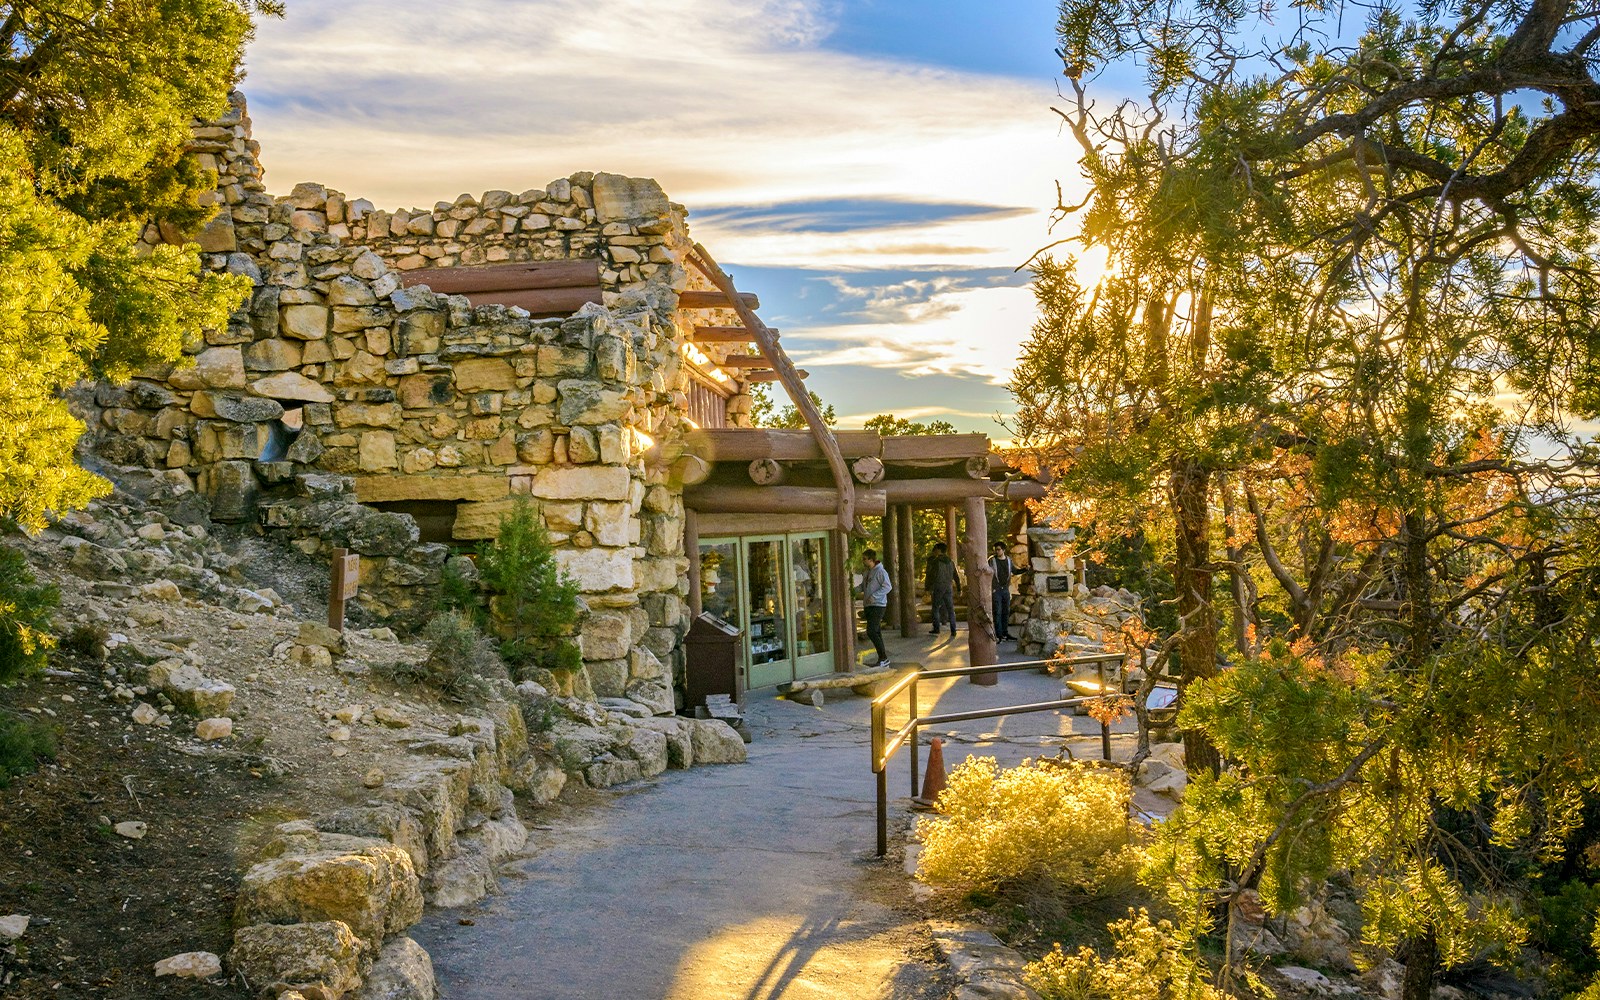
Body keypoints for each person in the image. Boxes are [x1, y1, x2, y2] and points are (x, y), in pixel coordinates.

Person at [860, 548, 892, 666]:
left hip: (878, 605)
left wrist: (875, 596)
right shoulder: (867, 572)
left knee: (871, 631)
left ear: (871, 560)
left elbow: (888, 587)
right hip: (868, 605)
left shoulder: (881, 572)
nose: (863, 561)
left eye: (864, 559)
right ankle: (883, 658)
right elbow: (864, 586)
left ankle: (883, 657)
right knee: (876, 631)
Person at [924, 542, 960, 638]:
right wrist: (959, 588)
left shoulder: (936, 562)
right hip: (948, 587)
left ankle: (936, 628)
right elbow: (956, 576)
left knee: (935, 607)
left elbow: (931, 576)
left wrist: (927, 588)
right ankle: (953, 629)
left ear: (939, 550)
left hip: (938, 587)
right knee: (950, 609)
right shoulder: (951, 562)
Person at [989, 542, 1018, 641]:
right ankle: (999, 634)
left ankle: (1005, 633)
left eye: (998, 549)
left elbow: (1014, 571)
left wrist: (1025, 569)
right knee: (997, 611)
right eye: (996, 550)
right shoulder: (992, 561)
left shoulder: (1009, 560)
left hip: (1005, 589)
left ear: (1003, 550)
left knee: (1006, 611)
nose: (997, 551)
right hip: (996, 590)